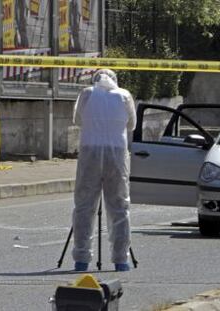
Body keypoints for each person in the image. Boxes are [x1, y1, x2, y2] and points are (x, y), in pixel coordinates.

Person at [72, 69, 136, 272]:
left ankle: (81, 258)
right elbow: (131, 125)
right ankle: (120, 260)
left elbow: (77, 120)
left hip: (90, 151)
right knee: (119, 206)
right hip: (116, 152)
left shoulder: (87, 93)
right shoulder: (124, 95)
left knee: (84, 206)